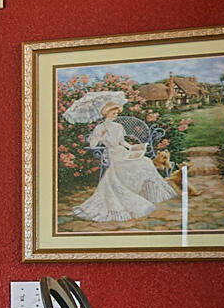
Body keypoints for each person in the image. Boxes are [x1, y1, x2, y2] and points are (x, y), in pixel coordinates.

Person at [73, 92, 176, 225]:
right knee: (126, 165)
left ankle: (146, 192)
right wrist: (100, 137)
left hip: (122, 152)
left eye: (117, 113)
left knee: (144, 161)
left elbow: (122, 142)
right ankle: (129, 193)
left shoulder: (119, 127)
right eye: (114, 113)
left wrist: (134, 148)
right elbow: (92, 145)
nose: (116, 116)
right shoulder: (100, 128)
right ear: (107, 113)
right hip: (112, 154)